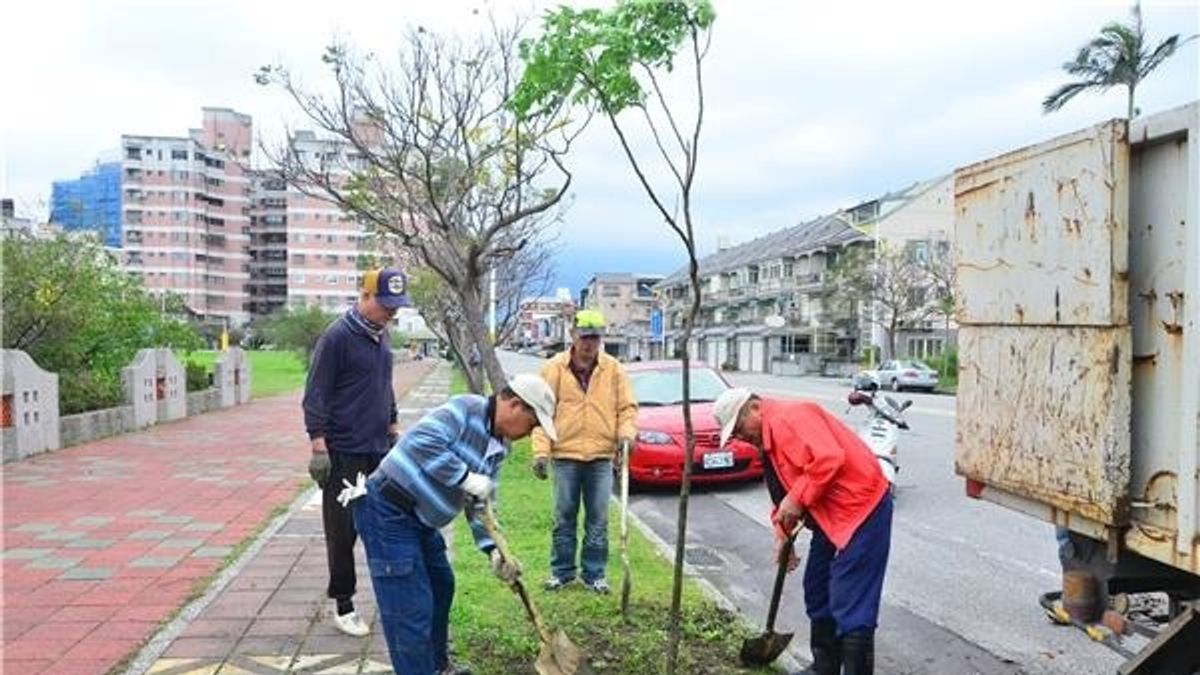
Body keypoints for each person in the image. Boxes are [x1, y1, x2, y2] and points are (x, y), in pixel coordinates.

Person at [350, 374, 558, 675]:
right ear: (515, 405)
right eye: (533, 423)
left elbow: (481, 505)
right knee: (411, 610)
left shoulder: (501, 447)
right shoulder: (465, 408)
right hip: (388, 511)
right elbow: (422, 442)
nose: (530, 433)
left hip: (421, 522)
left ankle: (437, 667)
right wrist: (465, 477)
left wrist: (494, 552)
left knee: (441, 586)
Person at [714, 388, 893, 675]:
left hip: (862, 510)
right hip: (830, 518)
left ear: (755, 408)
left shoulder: (791, 417)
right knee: (817, 588)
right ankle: (825, 666)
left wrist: (797, 499)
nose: (739, 437)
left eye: (738, 428)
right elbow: (782, 493)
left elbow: (828, 458)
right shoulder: (769, 442)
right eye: (733, 434)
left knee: (850, 598)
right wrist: (783, 536)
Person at [302, 267, 410, 637]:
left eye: (396, 306)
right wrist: (319, 446)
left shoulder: (382, 337)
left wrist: (394, 427)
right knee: (342, 530)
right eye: (386, 304)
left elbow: (384, 387)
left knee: (382, 523)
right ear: (365, 297)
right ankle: (344, 604)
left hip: (377, 448)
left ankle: (387, 594)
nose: (392, 312)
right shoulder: (338, 337)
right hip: (343, 450)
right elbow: (315, 393)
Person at [530, 309, 637, 593]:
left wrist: (626, 436)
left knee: (598, 519)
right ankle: (562, 572)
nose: (590, 344)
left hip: (601, 457)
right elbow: (541, 413)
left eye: (595, 338)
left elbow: (626, 409)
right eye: (585, 337)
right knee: (563, 516)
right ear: (572, 335)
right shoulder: (553, 369)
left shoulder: (613, 369)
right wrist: (541, 453)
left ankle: (594, 574)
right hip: (565, 456)